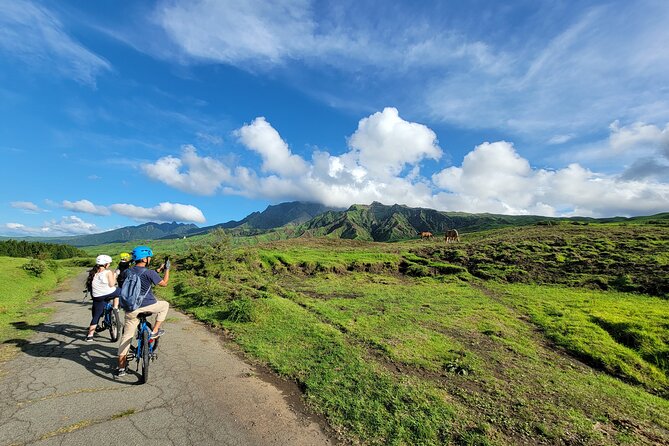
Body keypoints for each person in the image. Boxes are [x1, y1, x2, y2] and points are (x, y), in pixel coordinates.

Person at [117, 245, 170, 377]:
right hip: (148, 306)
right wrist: (167, 270)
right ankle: (155, 331)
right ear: (145, 259)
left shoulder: (126, 272)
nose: (150, 259)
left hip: (131, 309)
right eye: (149, 257)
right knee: (165, 305)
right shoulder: (149, 273)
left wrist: (158, 269)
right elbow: (164, 283)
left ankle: (121, 368)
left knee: (126, 337)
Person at [85, 254, 121, 341]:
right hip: (108, 294)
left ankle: (90, 335)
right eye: (108, 263)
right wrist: (115, 275)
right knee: (119, 291)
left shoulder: (93, 272)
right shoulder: (108, 272)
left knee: (96, 316)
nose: (109, 265)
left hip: (97, 297)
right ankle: (115, 308)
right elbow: (112, 284)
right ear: (105, 264)